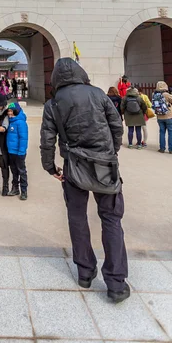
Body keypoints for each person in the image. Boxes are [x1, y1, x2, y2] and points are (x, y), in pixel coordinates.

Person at [40, 58, 129, 303]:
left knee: (77, 218)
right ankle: (116, 283)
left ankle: (85, 272)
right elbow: (116, 127)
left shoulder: (53, 103)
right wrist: (112, 153)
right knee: (111, 220)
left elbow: (47, 140)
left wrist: (50, 167)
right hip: (105, 165)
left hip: (73, 166)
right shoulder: (98, 94)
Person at [6, 102, 28, 200]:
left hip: (19, 152)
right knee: (14, 171)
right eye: (8, 111)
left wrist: (21, 151)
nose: (9, 113)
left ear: (16, 111)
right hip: (11, 151)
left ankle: (24, 190)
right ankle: (15, 188)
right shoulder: (10, 121)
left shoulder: (20, 122)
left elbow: (23, 138)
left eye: (11, 111)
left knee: (21, 171)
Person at [152, 81, 172, 154]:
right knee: (170, 132)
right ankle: (171, 149)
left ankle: (162, 148)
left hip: (159, 116)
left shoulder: (154, 94)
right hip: (169, 116)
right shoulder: (167, 95)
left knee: (162, 132)